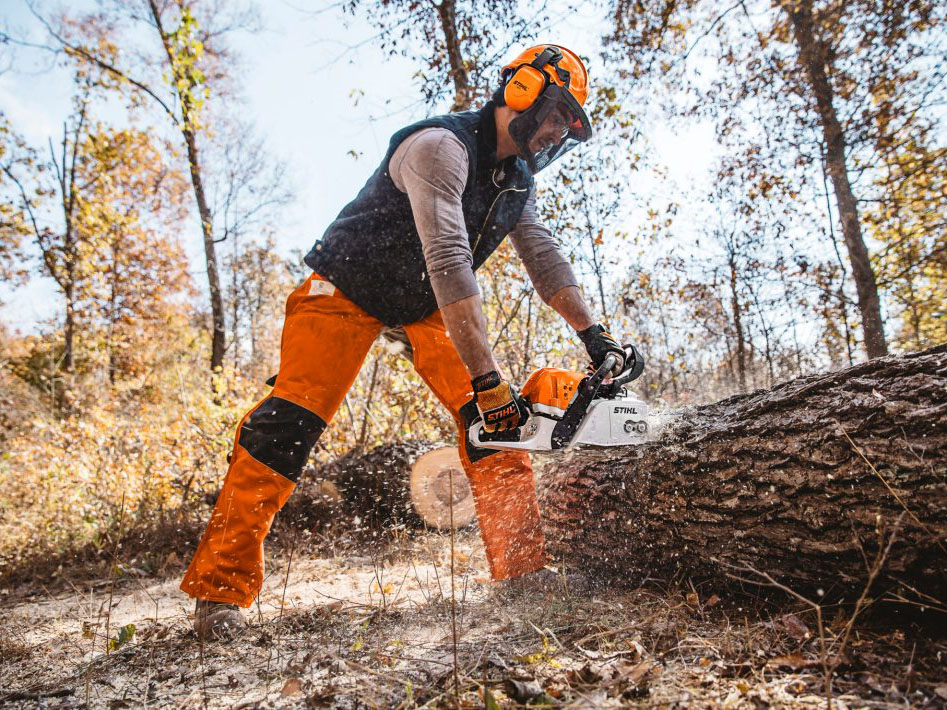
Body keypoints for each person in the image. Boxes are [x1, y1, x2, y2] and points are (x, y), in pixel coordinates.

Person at [180, 44, 633, 640]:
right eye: (555, 116)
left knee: (493, 425)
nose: (555, 133)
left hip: (424, 306)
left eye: (566, 127)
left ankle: (522, 571)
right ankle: (219, 593)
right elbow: (448, 258)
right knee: (287, 424)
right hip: (346, 286)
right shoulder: (439, 148)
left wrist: (594, 335)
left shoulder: (514, 181)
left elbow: (544, 258)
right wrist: (488, 375)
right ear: (523, 93)